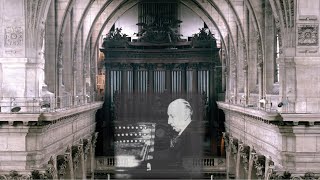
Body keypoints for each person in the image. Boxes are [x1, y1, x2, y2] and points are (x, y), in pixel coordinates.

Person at [150, 98, 203, 179]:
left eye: (172, 116)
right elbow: (173, 153)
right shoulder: (187, 131)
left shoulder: (193, 137)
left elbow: (191, 172)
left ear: (185, 114)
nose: (169, 121)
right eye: (168, 117)